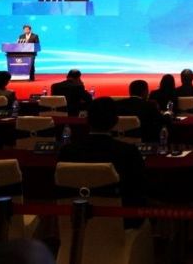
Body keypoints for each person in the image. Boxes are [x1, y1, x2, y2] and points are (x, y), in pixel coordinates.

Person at [58, 97, 146, 228]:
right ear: (115, 121)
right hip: (120, 225)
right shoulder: (128, 152)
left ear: (87, 120)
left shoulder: (67, 151)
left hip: (73, 223)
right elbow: (139, 190)